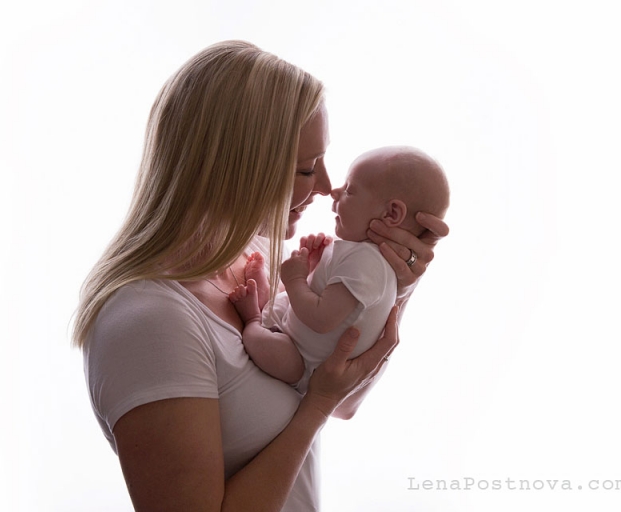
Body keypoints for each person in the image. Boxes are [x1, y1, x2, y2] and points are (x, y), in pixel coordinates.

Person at [73, 40, 449, 512]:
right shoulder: (149, 319)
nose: (329, 187)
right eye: (308, 168)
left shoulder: (257, 261)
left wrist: (395, 284)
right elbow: (324, 400)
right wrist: (312, 410)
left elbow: (344, 397)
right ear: (236, 168)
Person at [228, 146, 450, 392]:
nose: (333, 191)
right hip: (292, 330)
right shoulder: (359, 254)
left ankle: (253, 320)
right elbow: (322, 294)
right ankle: (264, 296)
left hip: (303, 364)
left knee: (282, 357)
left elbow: (321, 319)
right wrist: (312, 267)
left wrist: (294, 279)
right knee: (281, 303)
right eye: (308, 168)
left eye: (349, 190)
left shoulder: (368, 262)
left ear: (391, 213)